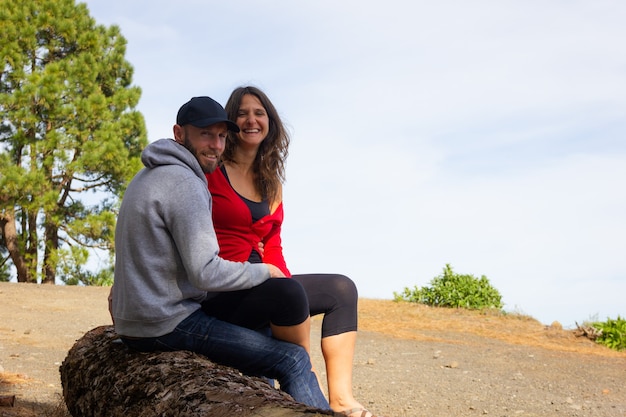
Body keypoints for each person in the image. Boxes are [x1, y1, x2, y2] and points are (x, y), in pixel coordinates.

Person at [109, 95, 329, 410]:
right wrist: (264, 270)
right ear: (179, 133)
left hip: (136, 322)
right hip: (168, 324)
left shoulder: (147, 176)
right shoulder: (184, 183)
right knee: (292, 358)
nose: (215, 145)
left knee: (261, 343)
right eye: (205, 134)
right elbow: (205, 272)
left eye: (222, 136)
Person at [203, 86, 382, 417]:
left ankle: (341, 398)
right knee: (286, 294)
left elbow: (272, 243)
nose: (251, 120)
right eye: (242, 113)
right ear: (230, 122)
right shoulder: (211, 171)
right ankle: (303, 377)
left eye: (259, 113)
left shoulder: (270, 181)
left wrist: (286, 284)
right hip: (221, 284)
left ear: (270, 121)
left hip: (263, 280)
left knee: (341, 289)